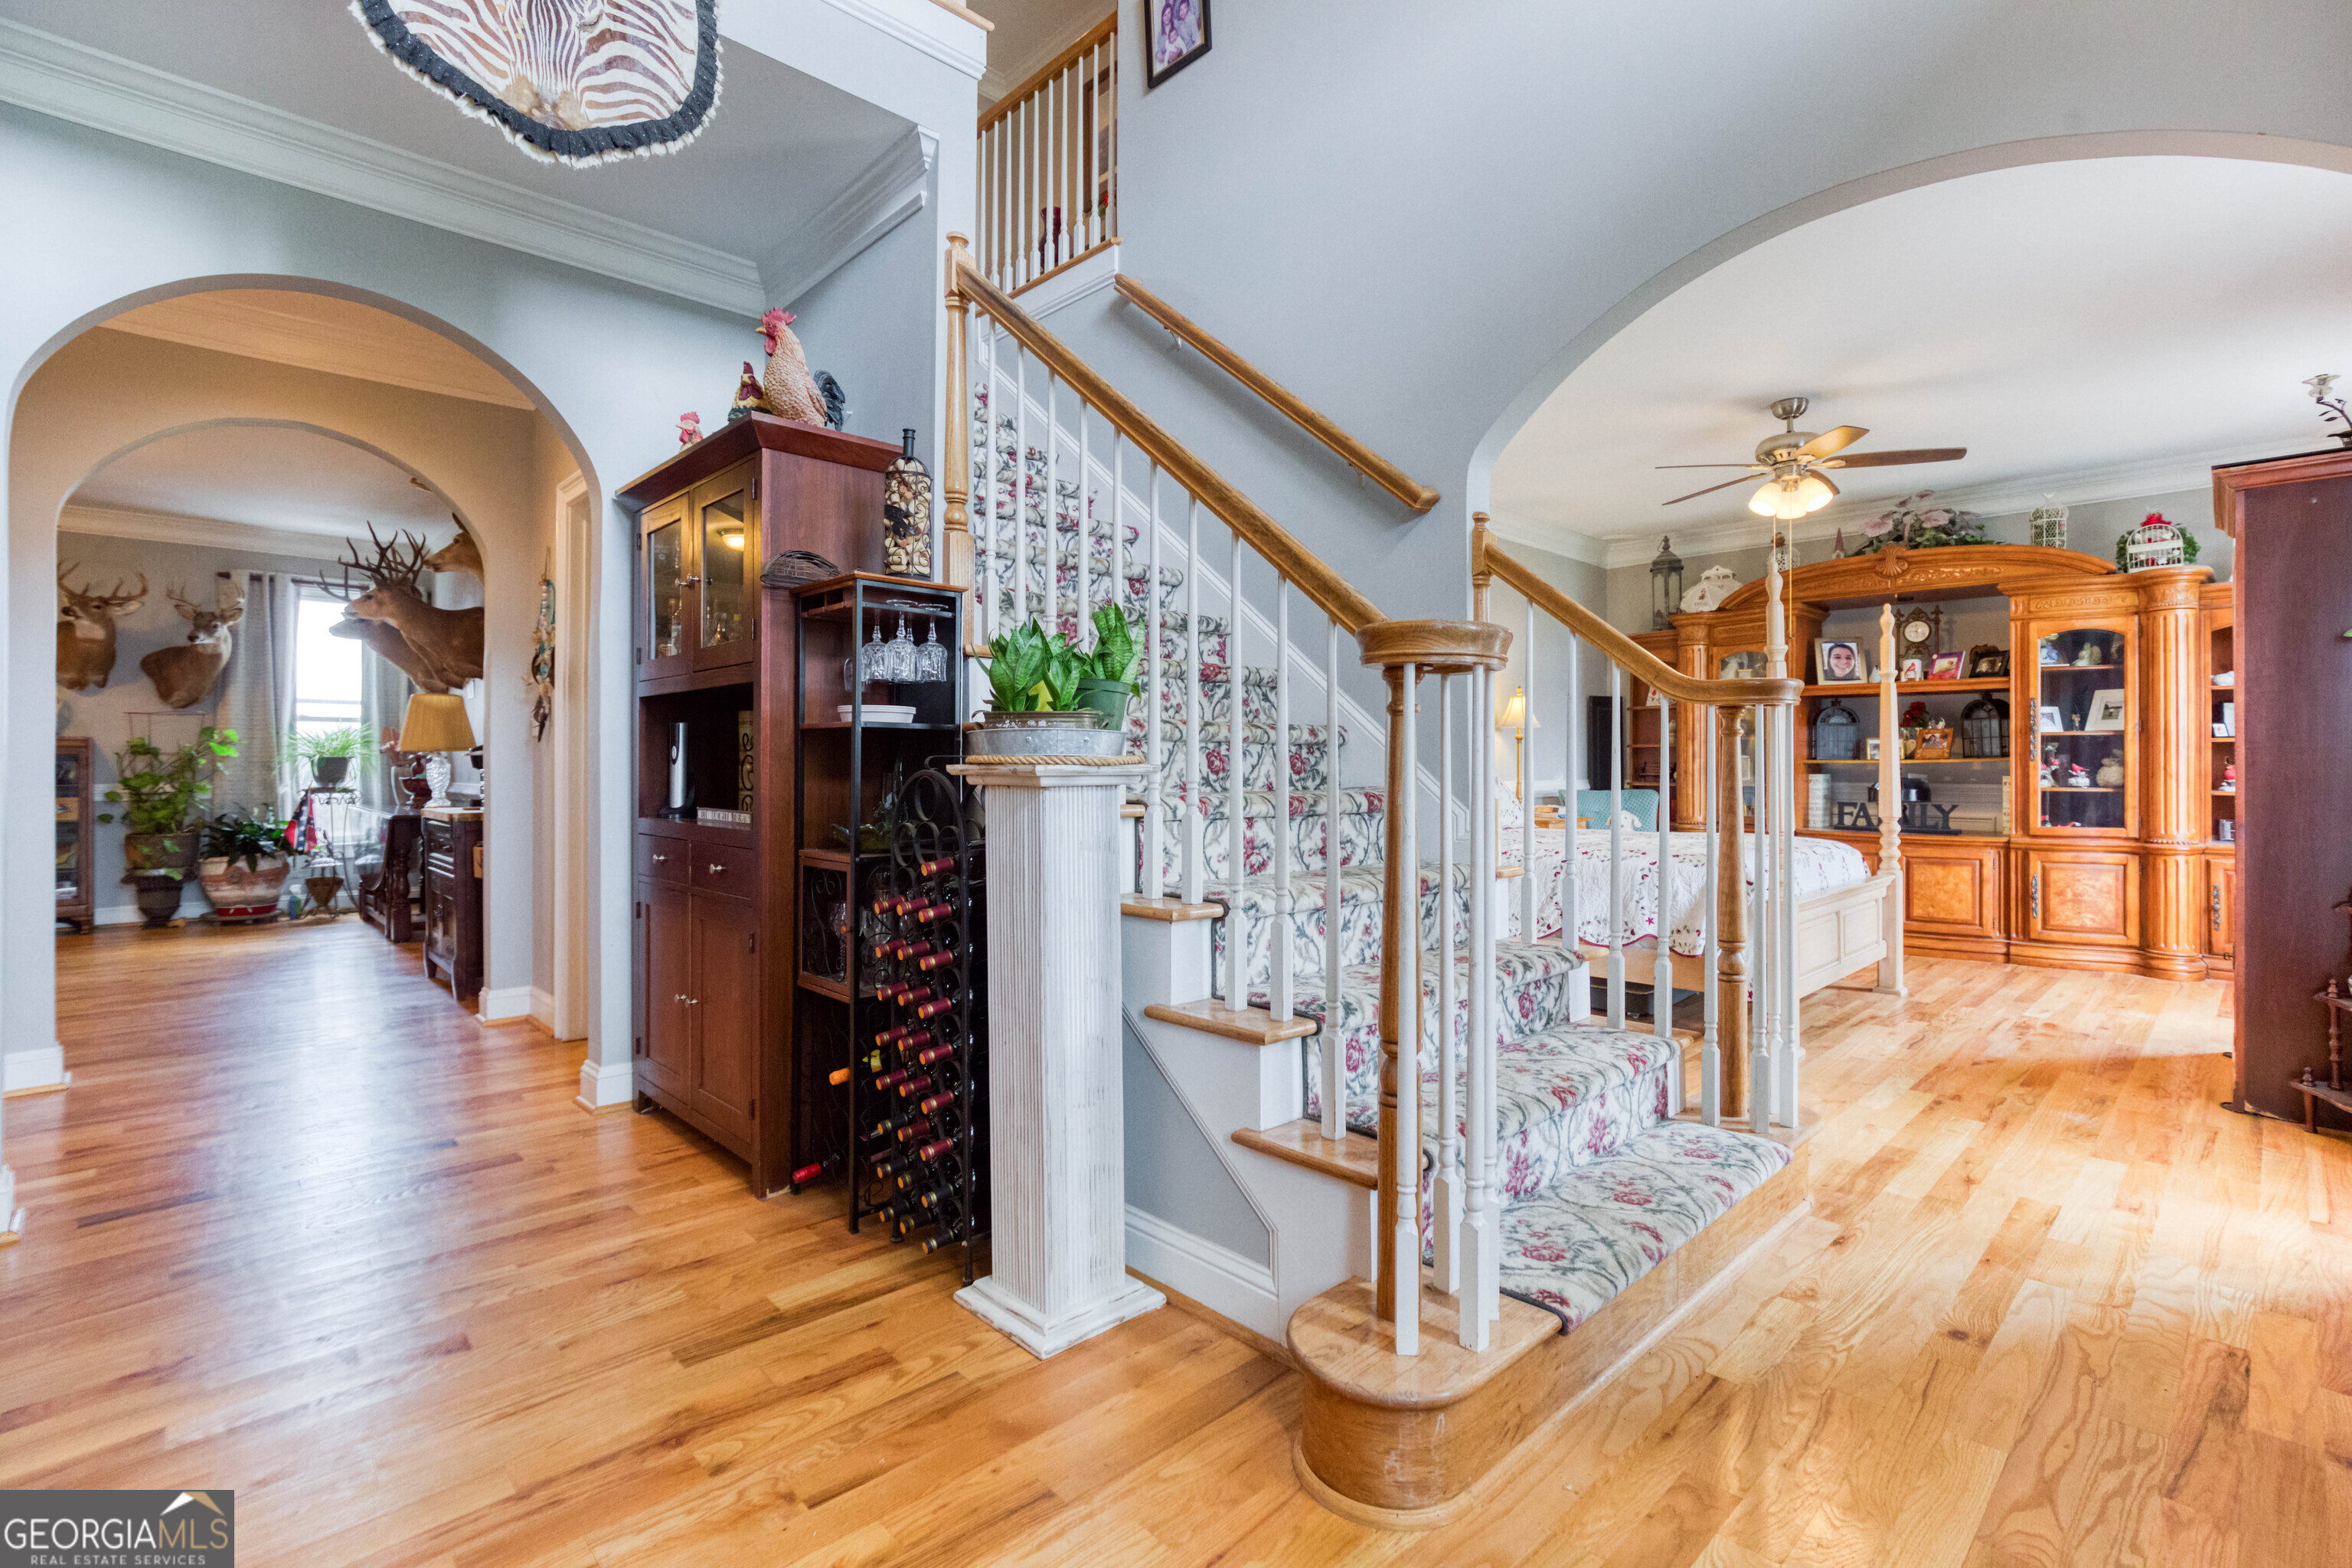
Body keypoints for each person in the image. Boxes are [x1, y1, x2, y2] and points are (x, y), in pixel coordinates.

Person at [1156, 0, 1202, 67]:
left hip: (1183, 59)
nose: (1167, 17)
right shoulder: (1160, 35)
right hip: (1170, 65)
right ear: (1162, 17)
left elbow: (1186, 39)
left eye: (1169, 13)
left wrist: (1180, 50)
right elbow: (1158, 55)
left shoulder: (1177, 24)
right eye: (1165, 15)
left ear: (1171, 13)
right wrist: (1167, 57)